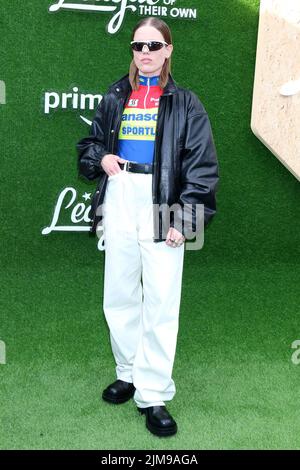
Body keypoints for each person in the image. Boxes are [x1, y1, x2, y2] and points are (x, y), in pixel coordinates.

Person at [76, 16, 219, 438]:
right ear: (133, 50)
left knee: (159, 298)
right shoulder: (117, 94)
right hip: (121, 191)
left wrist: (186, 217)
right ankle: (129, 372)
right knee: (119, 292)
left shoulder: (186, 102)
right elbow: (91, 145)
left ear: (169, 50)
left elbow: (202, 166)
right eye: (139, 46)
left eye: (154, 46)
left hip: (163, 200)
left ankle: (153, 392)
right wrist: (101, 159)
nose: (146, 54)